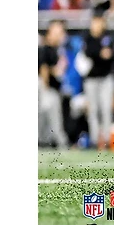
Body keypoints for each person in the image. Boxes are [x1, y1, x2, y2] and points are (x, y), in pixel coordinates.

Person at [78, 11, 114, 149]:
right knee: (93, 110)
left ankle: (106, 140)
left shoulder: (108, 36)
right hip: (91, 79)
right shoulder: (87, 37)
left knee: (106, 109)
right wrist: (100, 53)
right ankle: (95, 140)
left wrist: (99, 54)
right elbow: (88, 52)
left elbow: (111, 56)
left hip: (106, 78)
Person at [38, 19, 69, 148]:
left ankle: (47, 141)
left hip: (51, 87)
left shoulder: (57, 49)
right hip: (46, 87)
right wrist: (45, 88)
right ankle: (59, 142)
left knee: (47, 117)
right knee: (50, 117)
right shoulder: (45, 47)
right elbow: (44, 68)